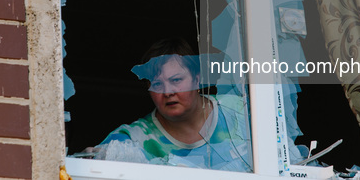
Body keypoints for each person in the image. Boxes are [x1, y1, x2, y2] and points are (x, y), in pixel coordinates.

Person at [89, 37, 252, 172]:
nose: (167, 92)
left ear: (197, 79)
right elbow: (92, 164)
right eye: (157, 84)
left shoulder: (241, 112)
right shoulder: (133, 139)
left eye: (176, 80)